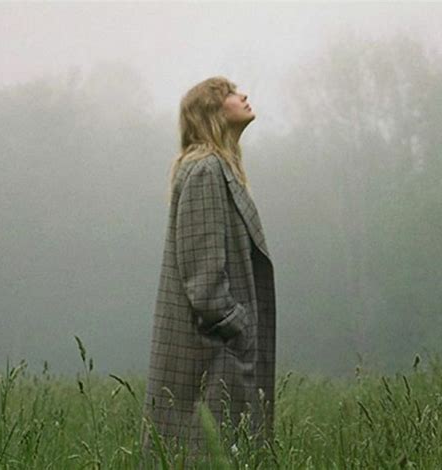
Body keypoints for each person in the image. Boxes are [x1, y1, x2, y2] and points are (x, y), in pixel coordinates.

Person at [141, 76, 276, 453]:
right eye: (231, 93)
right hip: (210, 355)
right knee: (203, 454)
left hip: (220, 352)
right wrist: (238, 325)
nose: (244, 94)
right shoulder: (205, 171)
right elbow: (203, 280)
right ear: (212, 112)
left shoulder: (219, 169)